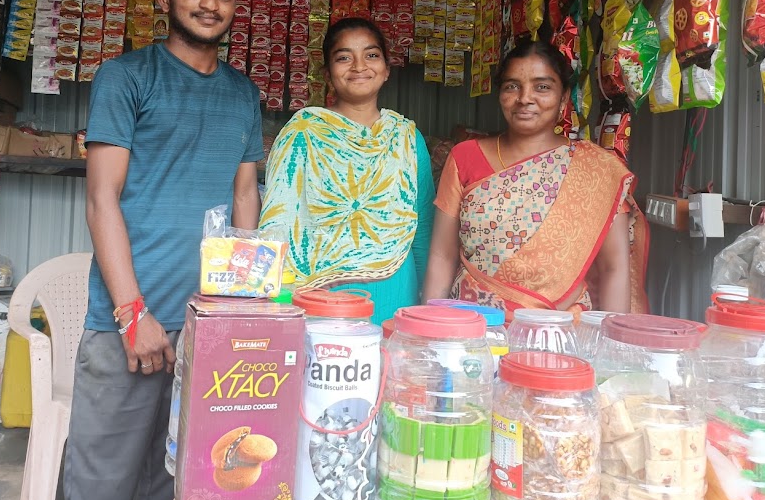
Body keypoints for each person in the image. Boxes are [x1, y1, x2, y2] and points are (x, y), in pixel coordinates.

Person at [64, 0, 263, 500]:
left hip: (207, 321)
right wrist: (132, 313)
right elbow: (102, 199)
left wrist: (240, 307)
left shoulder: (243, 94)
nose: (210, 4)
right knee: (101, 488)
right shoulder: (125, 78)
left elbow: (245, 195)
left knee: (171, 485)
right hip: (128, 321)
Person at [423, 38, 648, 317]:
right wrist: (428, 327)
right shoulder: (465, 157)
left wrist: (612, 345)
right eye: (512, 86)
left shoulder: (597, 171)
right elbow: (442, 256)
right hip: (474, 328)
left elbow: (613, 267)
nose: (525, 98)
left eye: (542, 86)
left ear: (564, 96)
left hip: (559, 333)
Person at [259, 17, 433, 324]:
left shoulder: (406, 137)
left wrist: (424, 307)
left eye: (371, 55)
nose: (359, 66)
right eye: (343, 57)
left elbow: (421, 228)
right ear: (327, 74)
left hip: (396, 291)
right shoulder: (303, 133)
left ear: (387, 69)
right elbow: (278, 223)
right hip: (319, 296)